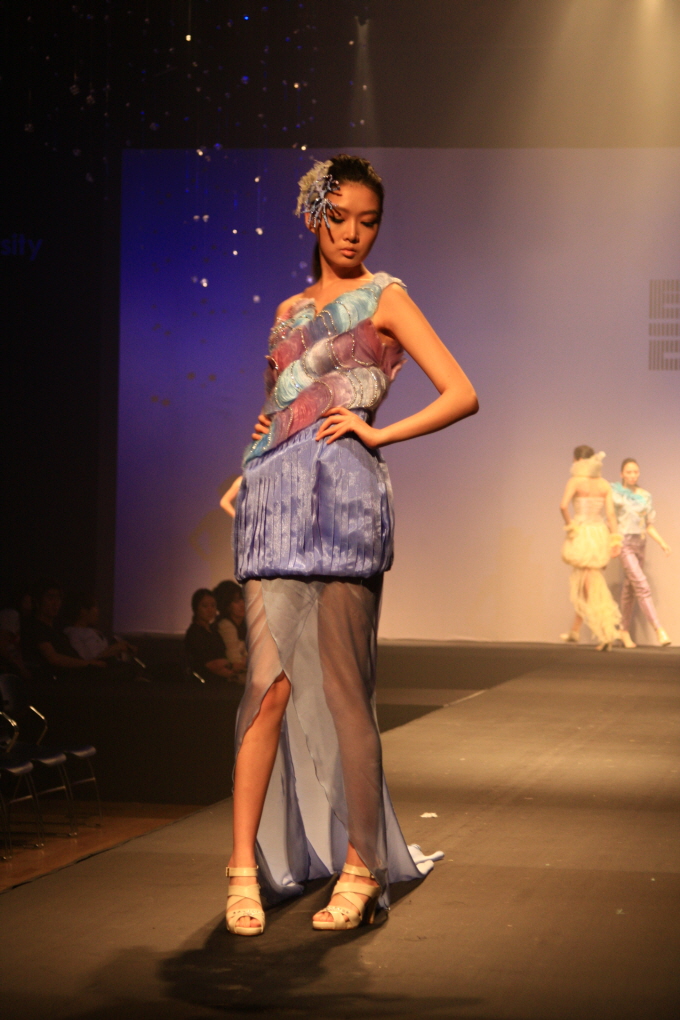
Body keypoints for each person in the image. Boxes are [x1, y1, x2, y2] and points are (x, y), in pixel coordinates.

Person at [225, 155, 478, 937]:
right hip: (271, 505)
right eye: (339, 218)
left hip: (342, 503)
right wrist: (252, 455)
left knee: (344, 691)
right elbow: (281, 405)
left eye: (368, 221)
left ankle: (361, 868)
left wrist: (377, 433)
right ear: (314, 217)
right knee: (265, 688)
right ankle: (242, 869)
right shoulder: (287, 309)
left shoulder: (387, 297)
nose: (352, 233)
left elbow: (461, 392)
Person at [559, 447, 622, 650]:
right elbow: (610, 515)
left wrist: (570, 526)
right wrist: (615, 540)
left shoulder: (575, 481)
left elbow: (563, 506)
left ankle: (606, 632)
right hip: (599, 533)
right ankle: (575, 631)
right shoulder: (603, 484)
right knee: (585, 580)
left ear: (577, 460)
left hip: (582, 533)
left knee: (589, 583)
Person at [611, 459, 672, 648]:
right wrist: (612, 543)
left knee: (630, 588)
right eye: (628, 472)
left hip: (640, 543)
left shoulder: (645, 496)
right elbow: (611, 520)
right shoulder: (616, 495)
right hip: (624, 542)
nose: (632, 475)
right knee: (642, 585)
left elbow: (648, 525)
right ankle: (658, 629)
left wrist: (662, 543)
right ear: (621, 474)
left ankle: (623, 631)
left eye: (635, 472)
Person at [22, 581, 106, 678]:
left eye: (58, 598)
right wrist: (88, 663)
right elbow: (53, 658)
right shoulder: (36, 628)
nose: (56, 603)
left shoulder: (57, 631)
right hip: (60, 681)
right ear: (37, 601)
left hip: (78, 676)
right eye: (50, 598)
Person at [184, 588, 237, 680]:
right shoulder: (194, 633)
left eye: (213, 606)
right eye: (205, 606)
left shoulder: (214, 631)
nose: (210, 610)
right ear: (196, 608)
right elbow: (209, 665)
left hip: (223, 678)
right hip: (206, 682)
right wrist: (232, 670)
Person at [213, 580, 248, 680]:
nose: (242, 604)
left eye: (243, 599)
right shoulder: (226, 625)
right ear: (226, 604)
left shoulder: (245, 625)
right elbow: (235, 661)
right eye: (236, 601)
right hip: (232, 680)